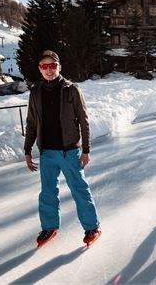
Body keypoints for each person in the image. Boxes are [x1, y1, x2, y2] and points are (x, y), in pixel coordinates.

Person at [24, 50, 101, 247]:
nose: (49, 70)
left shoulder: (71, 90)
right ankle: (49, 227)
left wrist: (86, 150)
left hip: (70, 151)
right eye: (44, 66)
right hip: (47, 152)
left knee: (79, 189)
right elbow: (31, 123)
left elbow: (84, 121)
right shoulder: (35, 92)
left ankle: (92, 227)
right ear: (40, 69)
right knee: (48, 192)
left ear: (59, 67)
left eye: (52, 65)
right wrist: (27, 150)